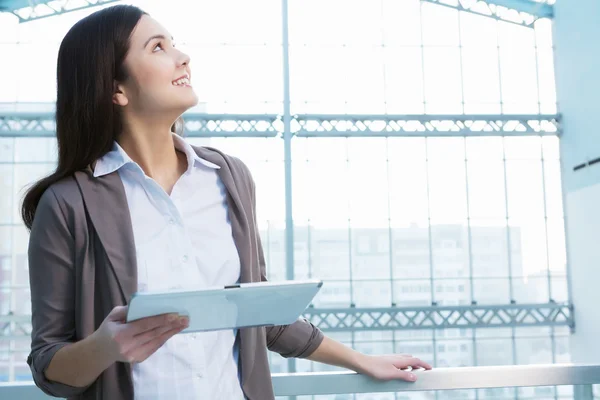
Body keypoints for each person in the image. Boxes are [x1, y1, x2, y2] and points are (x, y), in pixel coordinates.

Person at [21, 5, 432, 400]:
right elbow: (48, 365)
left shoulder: (228, 177)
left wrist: (363, 362)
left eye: (174, 44)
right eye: (158, 47)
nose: (183, 57)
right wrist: (104, 347)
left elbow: (260, 316)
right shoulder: (68, 204)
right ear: (117, 89)